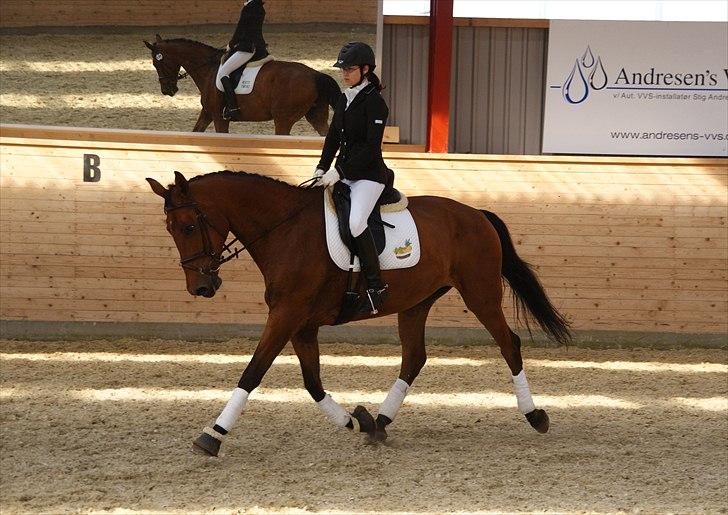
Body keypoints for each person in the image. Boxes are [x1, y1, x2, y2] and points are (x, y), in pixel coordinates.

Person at [315, 41, 391, 315]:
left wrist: (342, 172)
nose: (344, 74)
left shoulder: (376, 104)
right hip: (342, 172)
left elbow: (371, 149)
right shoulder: (344, 98)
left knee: (356, 221)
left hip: (369, 177)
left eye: (350, 70)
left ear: (366, 69)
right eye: (343, 70)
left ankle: (375, 285)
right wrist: (322, 168)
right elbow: (334, 137)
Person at [216, 0, 269, 120]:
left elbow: (241, 29)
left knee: (223, 72)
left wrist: (231, 44)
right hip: (257, 46)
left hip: (246, 48)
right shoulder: (259, 7)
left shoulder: (250, 7)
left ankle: (232, 108)